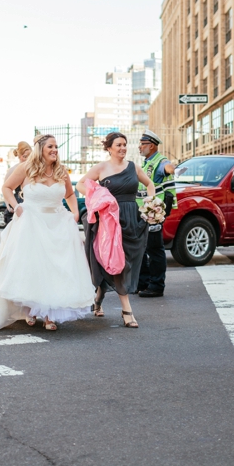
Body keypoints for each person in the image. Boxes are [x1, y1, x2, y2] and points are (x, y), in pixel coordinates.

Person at [0, 134, 94, 332]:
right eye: (50, 146)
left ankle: (50, 314)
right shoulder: (25, 168)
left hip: (57, 224)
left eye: (56, 147)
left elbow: (69, 194)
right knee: (33, 267)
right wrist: (16, 207)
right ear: (40, 148)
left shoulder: (60, 170)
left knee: (54, 269)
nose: (55, 150)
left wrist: (74, 212)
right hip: (31, 223)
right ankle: (30, 310)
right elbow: (7, 187)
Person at [77, 132, 154, 328]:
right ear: (109, 148)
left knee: (127, 261)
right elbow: (80, 185)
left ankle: (99, 296)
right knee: (118, 262)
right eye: (118, 145)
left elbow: (150, 184)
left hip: (132, 219)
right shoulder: (101, 168)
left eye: (124, 144)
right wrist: (99, 194)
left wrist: (150, 202)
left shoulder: (133, 167)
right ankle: (127, 310)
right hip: (109, 220)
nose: (122, 148)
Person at [136, 130, 176, 298]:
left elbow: (169, 168)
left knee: (154, 248)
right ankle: (143, 283)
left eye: (142, 144)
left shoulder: (160, 162)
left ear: (151, 146)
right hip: (144, 212)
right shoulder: (146, 163)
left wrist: (171, 167)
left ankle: (156, 285)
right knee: (143, 248)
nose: (139, 147)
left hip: (154, 212)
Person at [4, 141, 32, 225]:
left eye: (30, 156)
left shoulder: (35, 169)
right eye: (24, 156)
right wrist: (8, 205)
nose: (27, 159)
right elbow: (5, 188)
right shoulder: (13, 170)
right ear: (19, 156)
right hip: (17, 202)